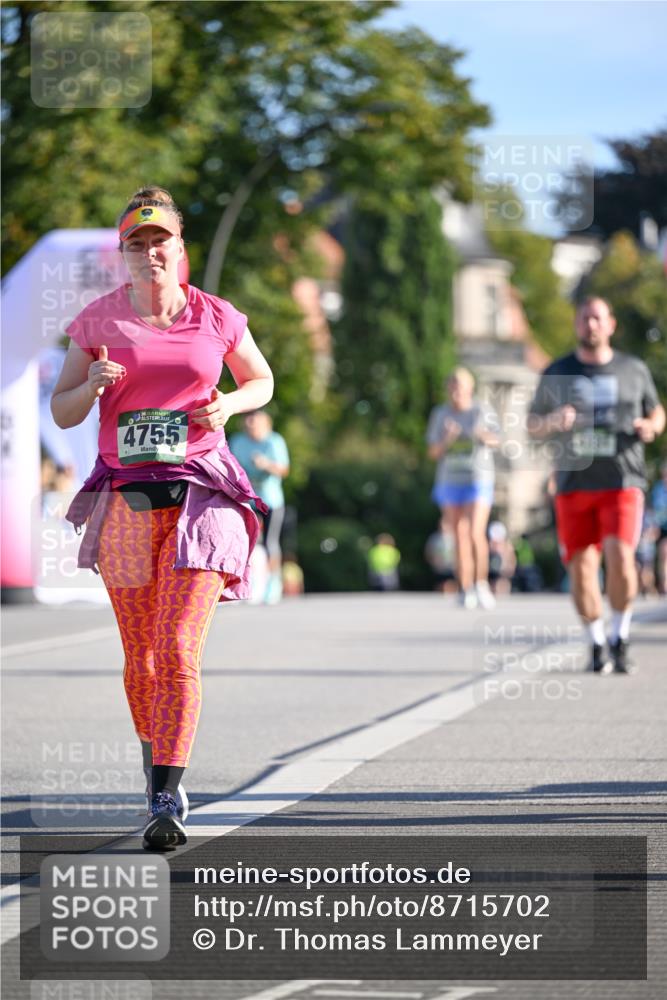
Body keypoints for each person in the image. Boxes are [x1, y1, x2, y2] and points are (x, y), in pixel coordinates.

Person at [51, 187, 274, 849]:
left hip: (201, 494)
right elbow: (62, 408)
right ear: (123, 254)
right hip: (125, 497)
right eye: (137, 244)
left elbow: (260, 379)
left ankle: (167, 796)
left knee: (176, 649)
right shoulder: (97, 321)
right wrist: (89, 386)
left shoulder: (216, 316)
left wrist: (228, 407)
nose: (150, 253)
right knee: (140, 659)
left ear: (181, 250)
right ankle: (158, 768)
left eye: (161, 242)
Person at [528, 296, 665, 674]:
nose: (591, 325)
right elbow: (532, 424)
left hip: (623, 478)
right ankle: (596, 642)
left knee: (621, 558)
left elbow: (656, 410)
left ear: (611, 324)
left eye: (597, 318)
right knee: (582, 569)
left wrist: (651, 425)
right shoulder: (557, 371)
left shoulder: (632, 369)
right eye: (585, 318)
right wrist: (554, 420)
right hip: (573, 482)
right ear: (576, 324)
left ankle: (620, 635)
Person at [426, 367, 500, 610]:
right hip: (450, 481)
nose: (456, 390)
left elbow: (497, 440)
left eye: (461, 385)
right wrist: (447, 439)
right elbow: (432, 452)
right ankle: (464, 587)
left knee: (475, 532)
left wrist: (480, 433)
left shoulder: (481, 411)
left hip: (477, 478)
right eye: (452, 385)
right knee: (458, 534)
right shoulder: (441, 414)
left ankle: (481, 584)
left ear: (470, 388)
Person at [229, 410, 290, 604]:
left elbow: (284, 470)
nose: (250, 426)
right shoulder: (238, 441)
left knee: (270, 542)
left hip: (270, 500)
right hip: (247, 499)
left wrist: (266, 465)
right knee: (243, 542)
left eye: (254, 423)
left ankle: (273, 584)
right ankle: (243, 583)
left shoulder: (274, 441)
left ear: (265, 424)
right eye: (247, 423)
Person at [424, 516, 458, 594]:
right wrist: (432, 562)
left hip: (452, 567)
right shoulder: (434, 538)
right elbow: (428, 552)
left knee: (450, 585)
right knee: (440, 586)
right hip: (439, 567)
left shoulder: (455, 537)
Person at [487, 520, 516, 596]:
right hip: (492, 570)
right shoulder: (488, 546)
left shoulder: (507, 546)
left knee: (502, 585)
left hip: (502, 570)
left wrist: (510, 568)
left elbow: (511, 558)